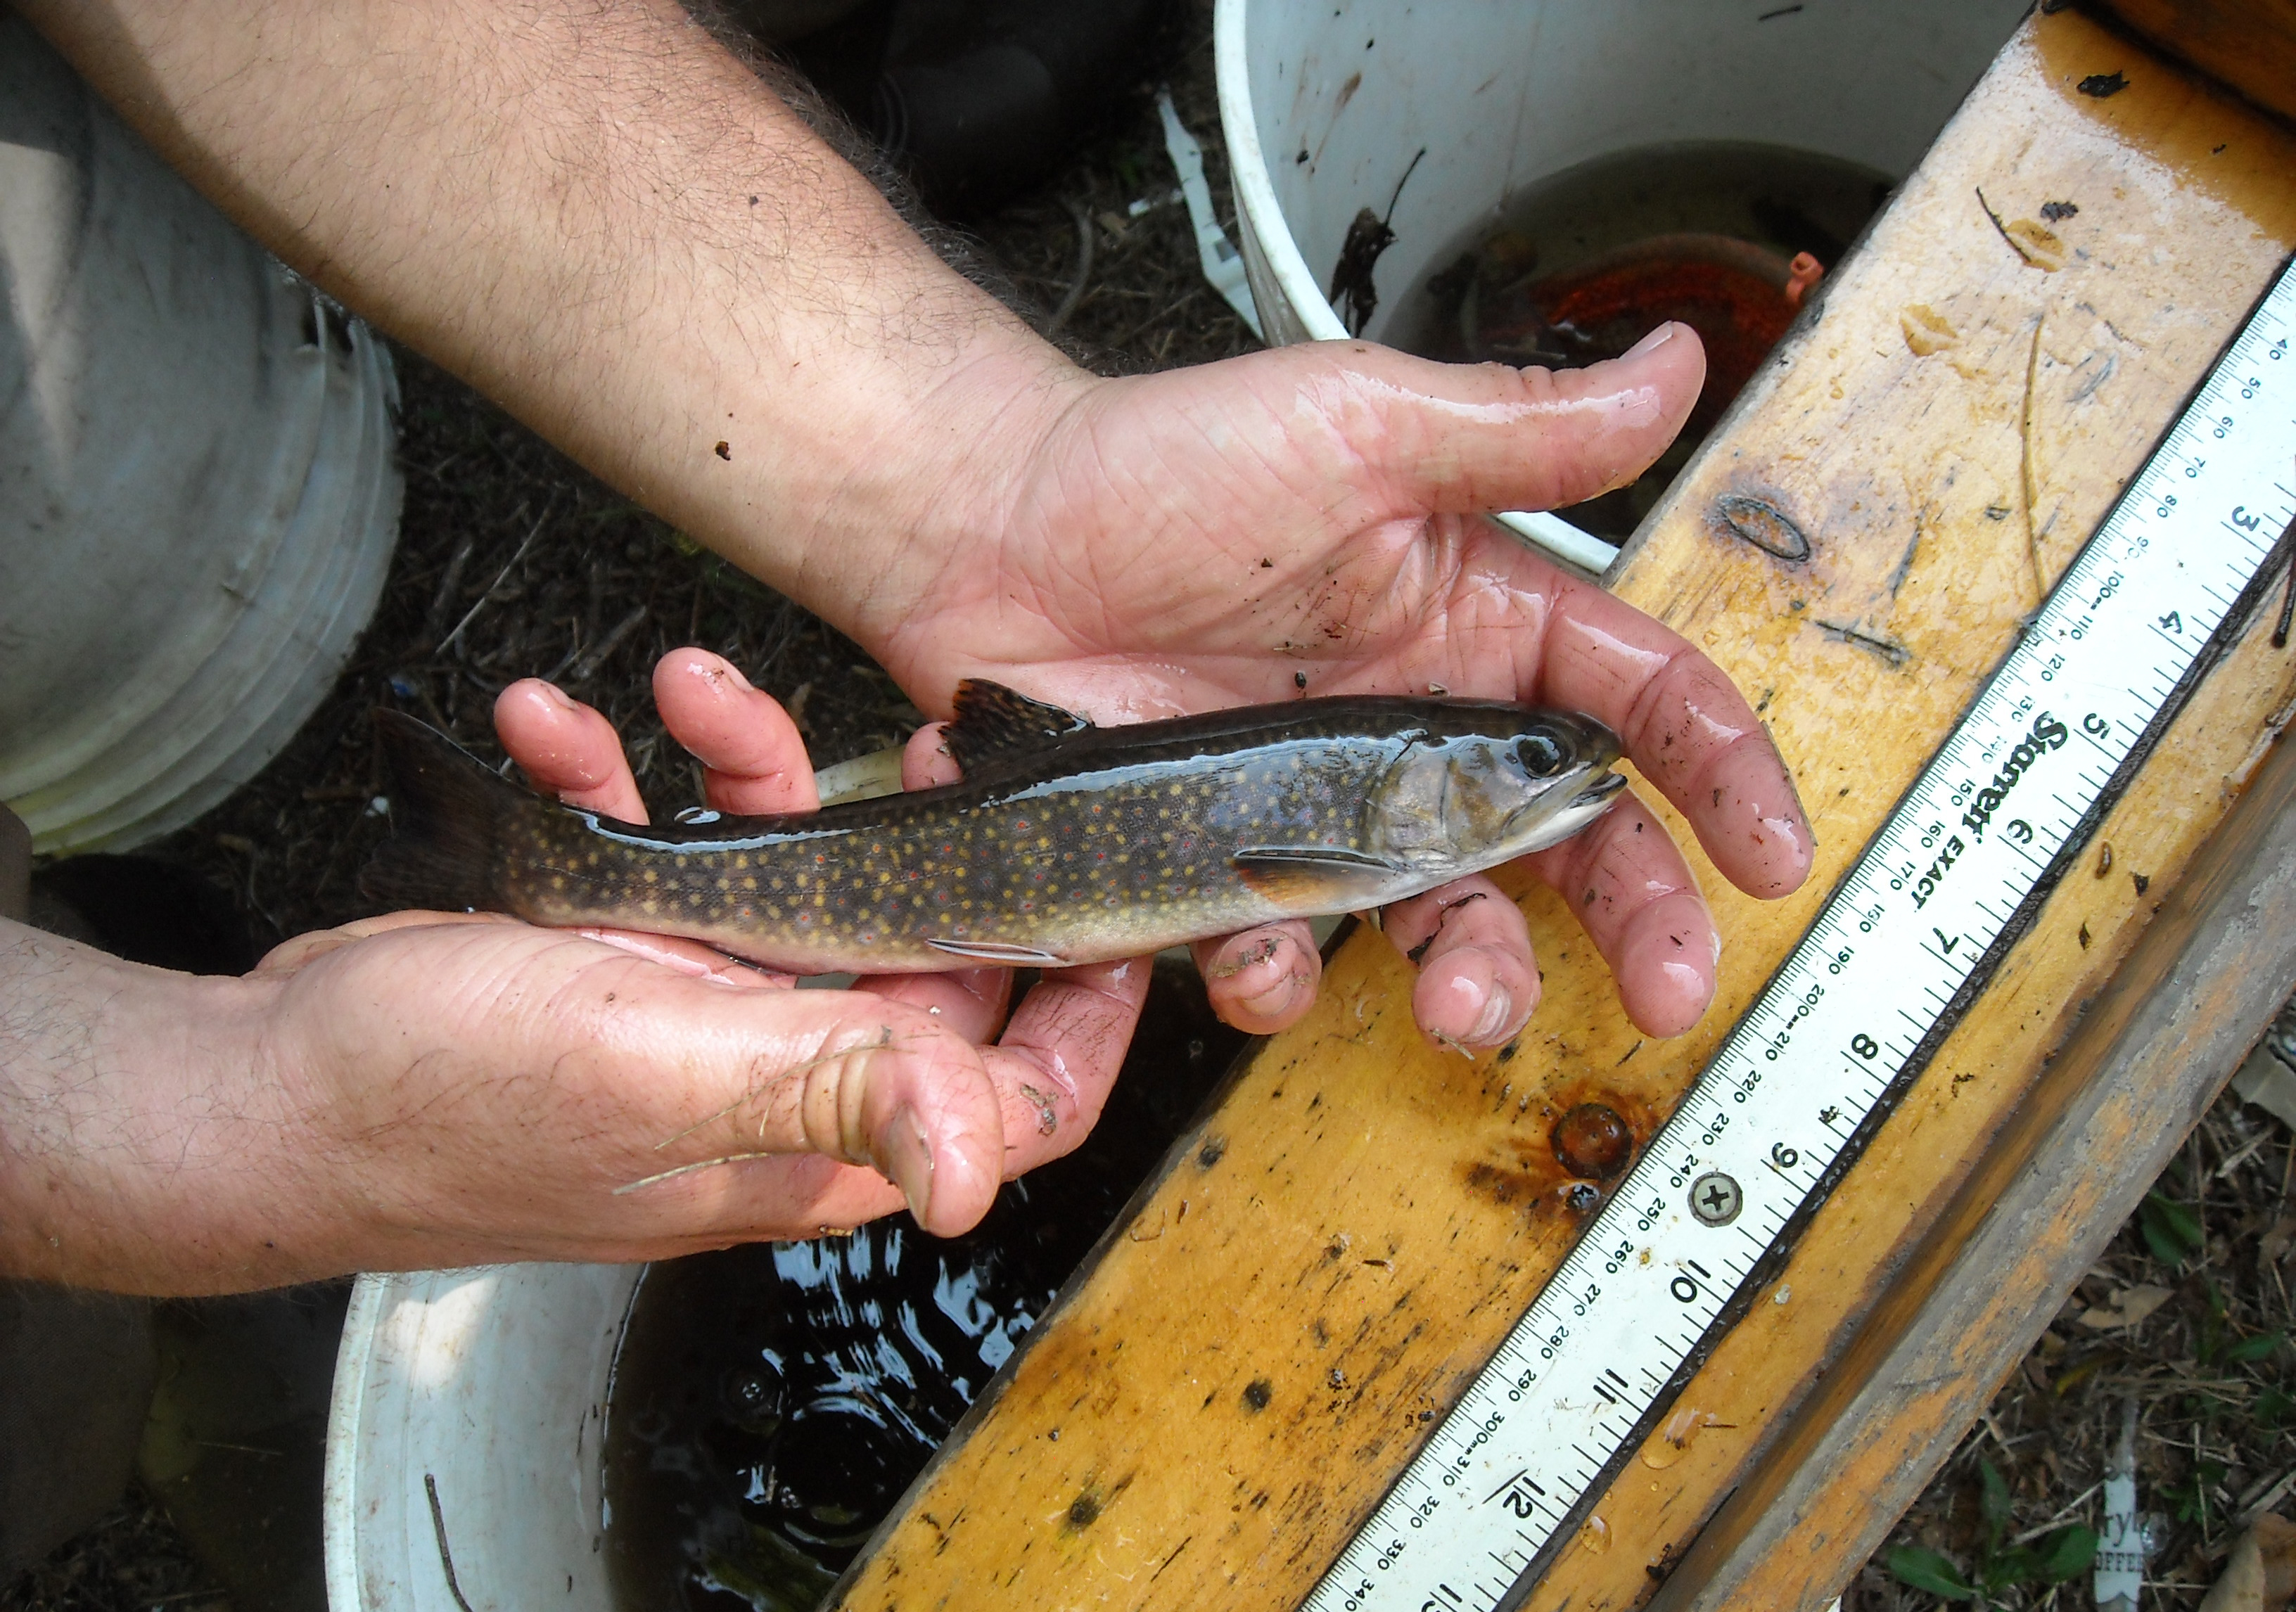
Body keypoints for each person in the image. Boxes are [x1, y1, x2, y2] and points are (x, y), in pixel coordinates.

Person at [1, 0, 1813, 1296]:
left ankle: (417, 887)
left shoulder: (1356, 797)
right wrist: (262, 1125)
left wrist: (986, 481)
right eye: (1512, 764)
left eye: (1528, 769)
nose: (1548, 767)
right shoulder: (1339, 816)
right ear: (1403, 790)